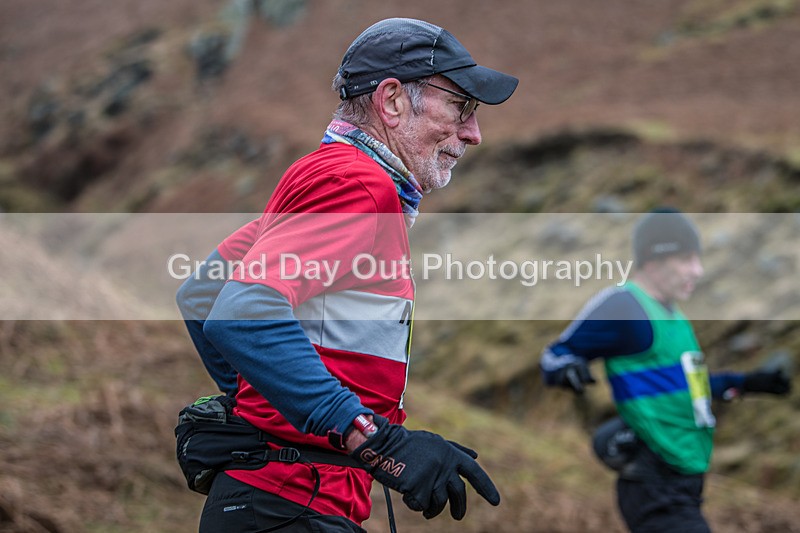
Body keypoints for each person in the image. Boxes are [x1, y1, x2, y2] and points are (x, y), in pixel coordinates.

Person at [176, 17, 518, 533]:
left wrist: (267, 408)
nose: (474, 132)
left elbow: (203, 293)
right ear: (393, 101)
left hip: (278, 500)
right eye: (460, 106)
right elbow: (239, 311)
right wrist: (373, 438)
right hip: (292, 504)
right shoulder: (357, 185)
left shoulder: (326, 172)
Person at [539, 208, 792, 533]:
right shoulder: (625, 306)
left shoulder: (674, 315)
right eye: (686, 260)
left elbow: (687, 384)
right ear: (654, 260)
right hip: (653, 482)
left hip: (685, 479)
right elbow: (555, 355)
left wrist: (748, 383)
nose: (698, 271)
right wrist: (568, 369)